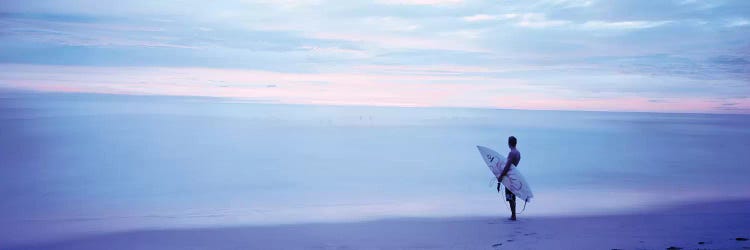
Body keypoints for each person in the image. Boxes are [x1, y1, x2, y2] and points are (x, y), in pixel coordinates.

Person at [497, 136, 521, 220]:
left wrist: (501, 176)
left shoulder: (512, 153)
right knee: (512, 195)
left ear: (509, 143)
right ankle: (513, 214)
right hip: (514, 176)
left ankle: (513, 215)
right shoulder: (518, 153)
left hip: (509, 177)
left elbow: (507, 166)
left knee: (510, 196)